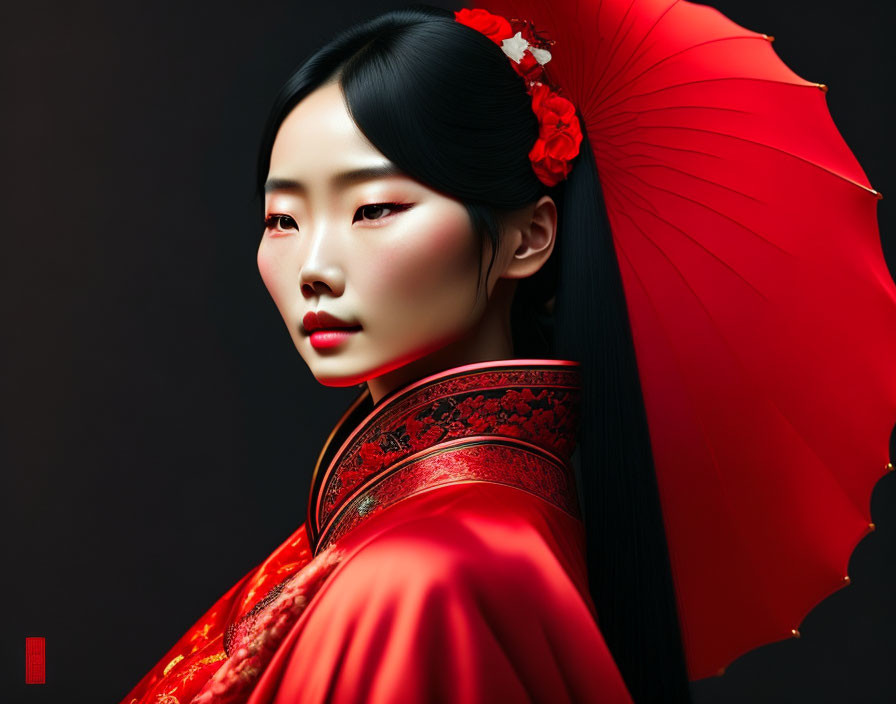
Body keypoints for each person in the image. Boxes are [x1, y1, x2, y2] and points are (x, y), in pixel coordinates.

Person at [120, 2, 895, 703]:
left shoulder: (423, 576)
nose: (315, 266)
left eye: (374, 208)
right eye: (283, 219)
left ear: (529, 236)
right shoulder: (484, 525)